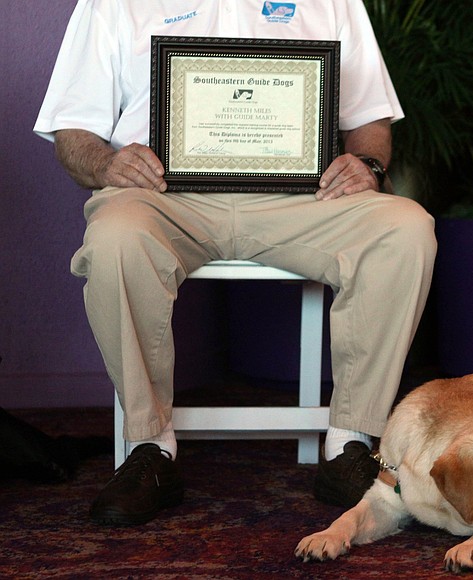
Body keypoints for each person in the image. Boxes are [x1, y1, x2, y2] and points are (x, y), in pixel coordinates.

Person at [34, 0, 436, 526]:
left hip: (301, 198)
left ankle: (350, 447)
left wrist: (367, 164)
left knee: (405, 228)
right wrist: (109, 162)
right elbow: (73, 137)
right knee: (114, 237)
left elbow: (369, 120)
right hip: (161, 195)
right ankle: (149, 451)